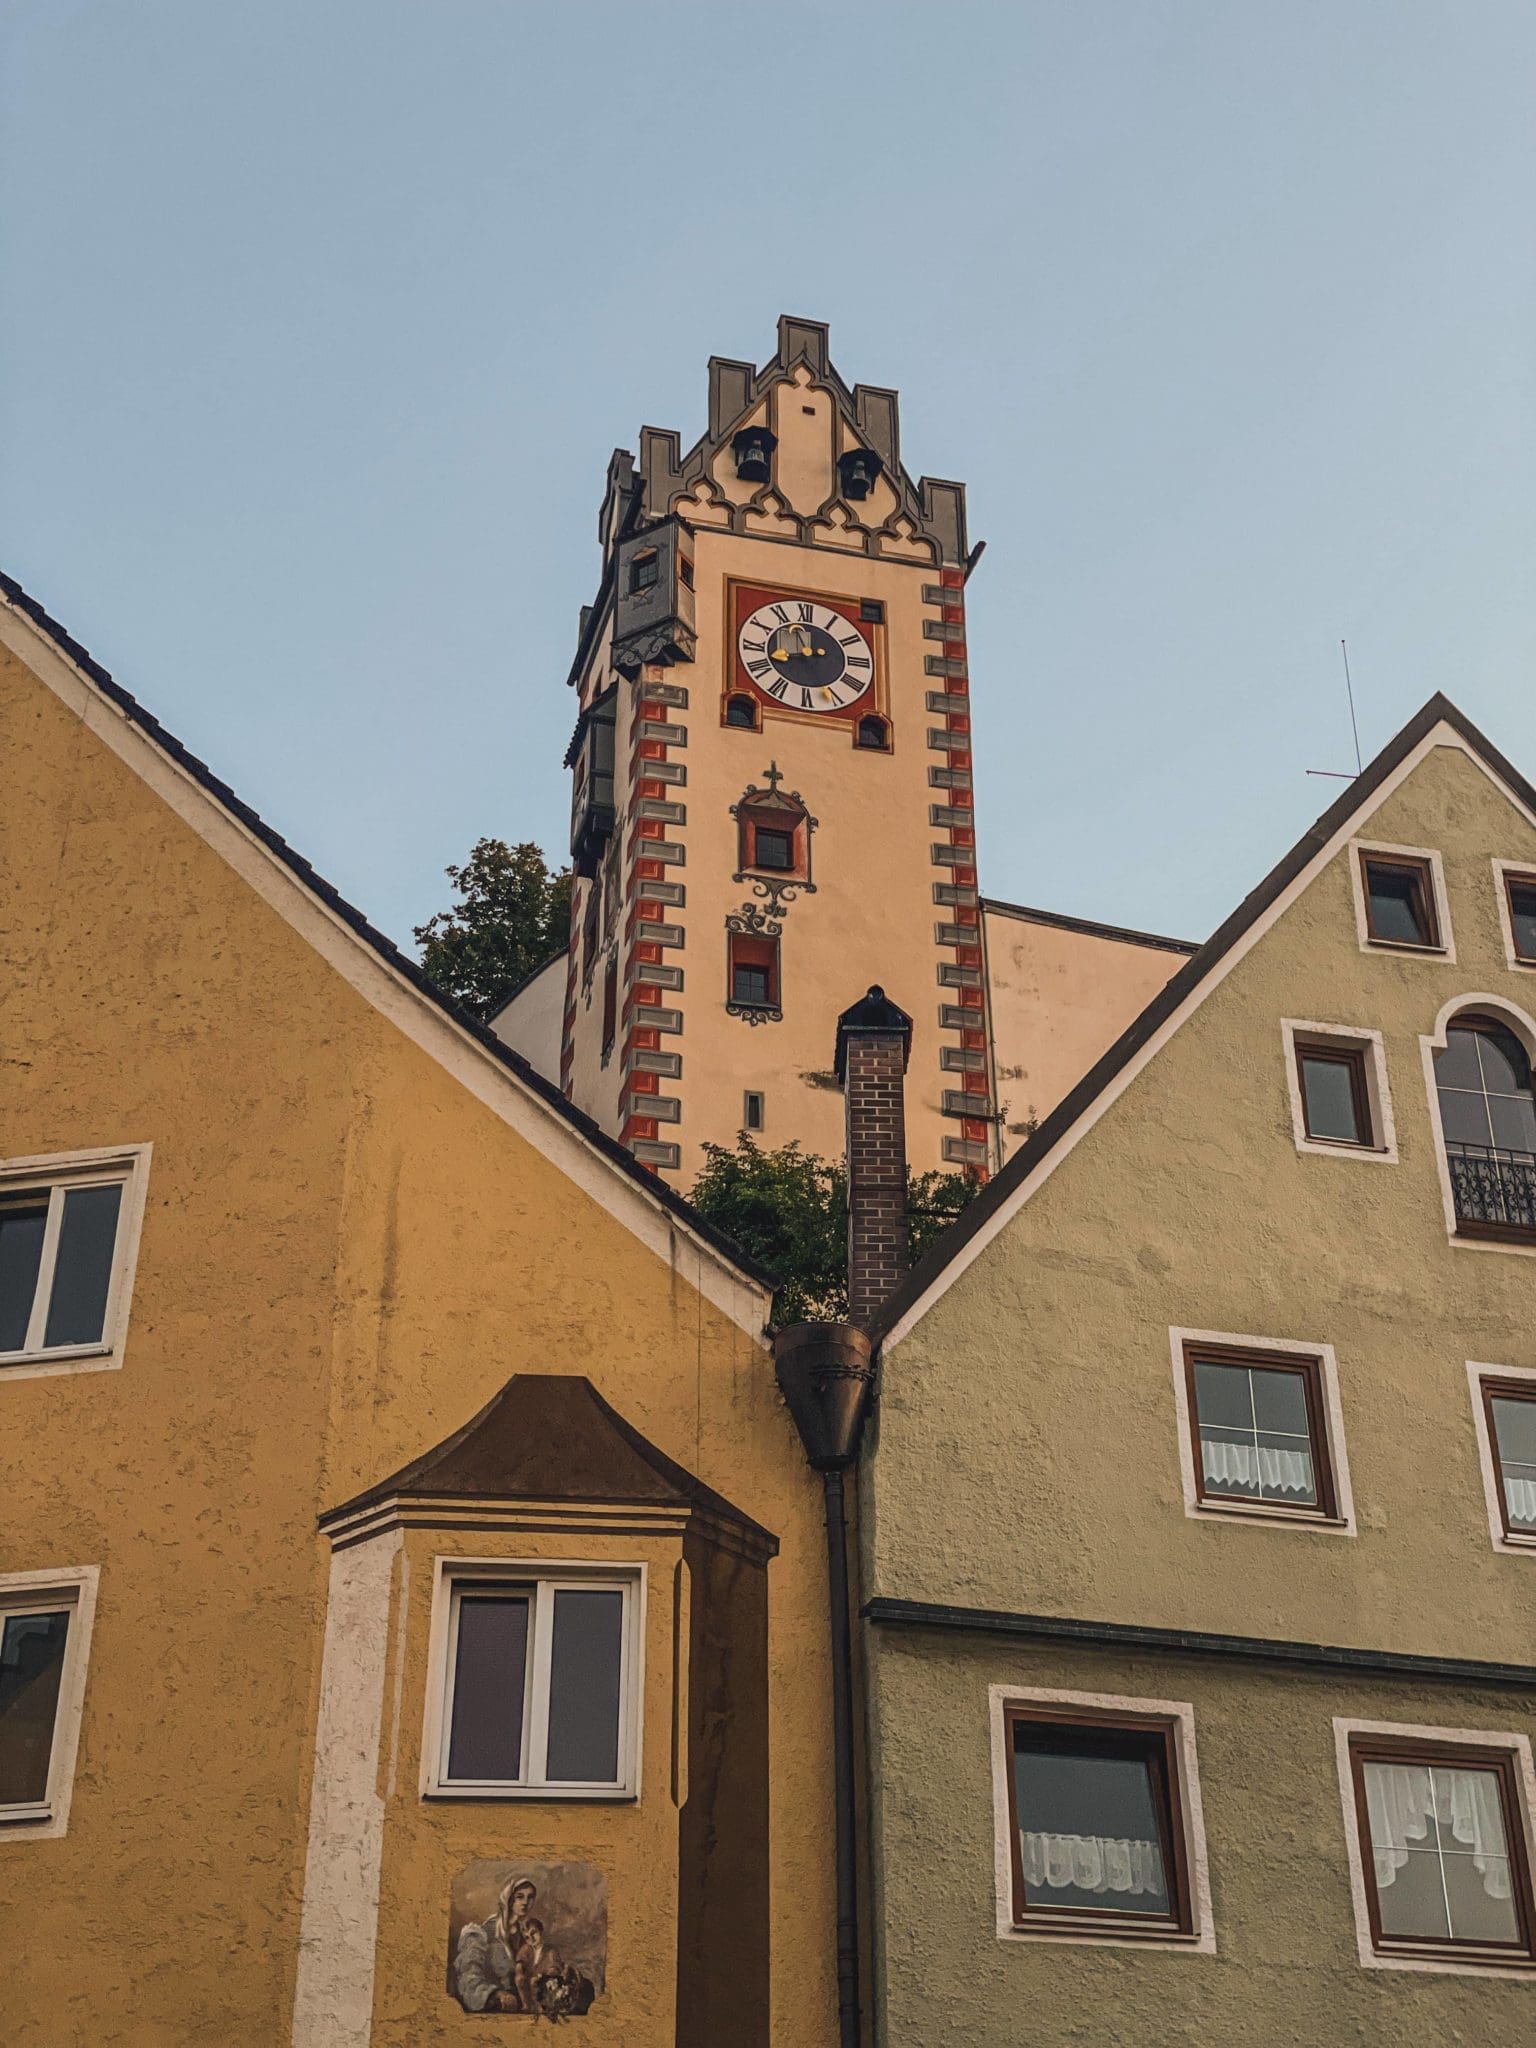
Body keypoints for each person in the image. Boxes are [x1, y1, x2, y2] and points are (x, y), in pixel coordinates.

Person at [454, 1876, 539, 2013]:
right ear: (509, 1899)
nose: (525, 1902)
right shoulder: (486, 1931)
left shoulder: (526, 1935)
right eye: (519, 1897)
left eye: (530, 1897)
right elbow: (469, 1976)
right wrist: (496, 1994)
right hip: (496, 2004)